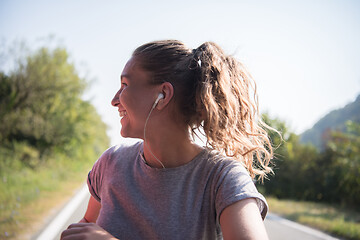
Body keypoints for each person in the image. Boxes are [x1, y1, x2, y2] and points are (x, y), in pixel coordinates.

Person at [61, 40, 274, 240]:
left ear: (162, 94)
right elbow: (88, 225)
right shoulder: (110, 163)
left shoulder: (223, 178)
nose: (114, 100)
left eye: (125, 85)